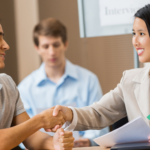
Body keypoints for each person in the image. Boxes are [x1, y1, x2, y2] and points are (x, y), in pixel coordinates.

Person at [51, 4, 150, 142]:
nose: (135, 41)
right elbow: (99, 112)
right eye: (134, 33)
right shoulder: (130, 80)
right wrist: (68, 114)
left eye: (141, 34)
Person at [17, 18, 109, 147]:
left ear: (65, 44)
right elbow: (23, 134)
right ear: (37, 48)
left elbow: (101, 121)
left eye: (56, 45)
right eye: (45, 46)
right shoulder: (25, 88)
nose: (52, 52)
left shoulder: (89, 80)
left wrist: (87, 141)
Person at [0, 23, 74, 150]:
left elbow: (30, 137)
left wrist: (54, 143)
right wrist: (40, 120)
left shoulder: (7, 84)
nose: (6, 45)